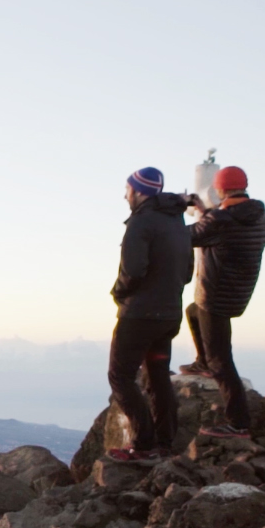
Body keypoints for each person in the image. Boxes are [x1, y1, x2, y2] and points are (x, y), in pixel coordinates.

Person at [177, 166, 265, 438]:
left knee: (222, 361)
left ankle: (238, 423)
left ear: (219, 189)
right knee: (192, 311)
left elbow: (187, 236)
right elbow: (218, 226)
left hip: (215, 294)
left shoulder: (221, 220)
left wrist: (178, 211)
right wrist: (206, 211)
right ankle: (202, 362)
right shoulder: (262, 216)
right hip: (239, 290)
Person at [106, 167, 193, 462]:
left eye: (127, 189)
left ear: (138, 191)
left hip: (140, 316)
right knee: (157, 376)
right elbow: (188, 272)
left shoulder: (141, 223)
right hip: (169, 316)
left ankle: (143, 445)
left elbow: (133, 270)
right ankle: (165, 442)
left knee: (120, 377)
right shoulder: (176, 222)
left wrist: (119, 293)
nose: (124, 195)